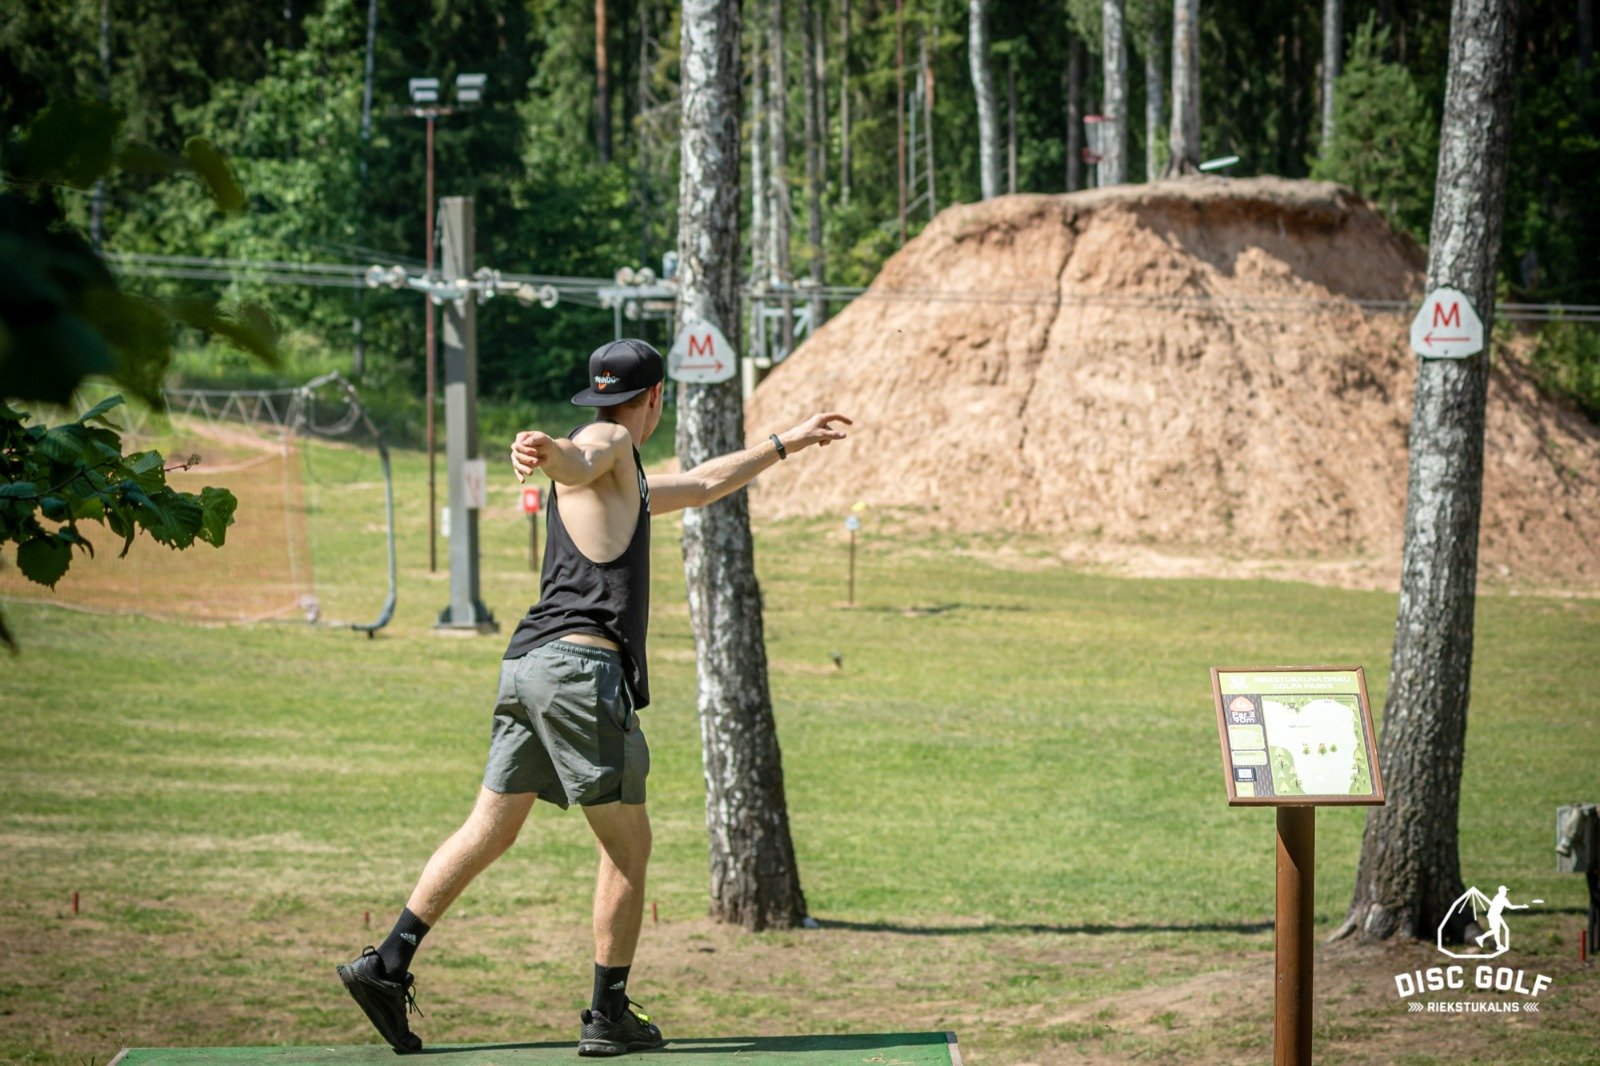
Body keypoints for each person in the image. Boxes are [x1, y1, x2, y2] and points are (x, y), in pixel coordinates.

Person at [338, 338, 851, 1057]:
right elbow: (582, 455)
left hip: (529, 666)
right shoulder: (608, 443)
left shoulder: (627, 481)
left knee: (490, 829)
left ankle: (387, 964)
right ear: (656, 398)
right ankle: (608, 1016)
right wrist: (547, 449)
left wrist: (784, 442)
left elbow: (701, 483)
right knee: (628, 847)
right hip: (581, 674)